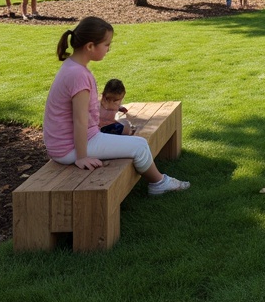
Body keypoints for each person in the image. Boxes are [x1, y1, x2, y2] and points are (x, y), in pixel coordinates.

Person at [42, 16, 187, 194]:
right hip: (70, 148)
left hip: (68, 143)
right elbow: (79, 120)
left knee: (127, 134)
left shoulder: (72, 66)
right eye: (106, 44)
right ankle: (159, 184)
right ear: (90, 46)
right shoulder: (78, 75)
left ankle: (158, 182)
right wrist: (81, 157)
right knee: (139, 145)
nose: (108, 49)